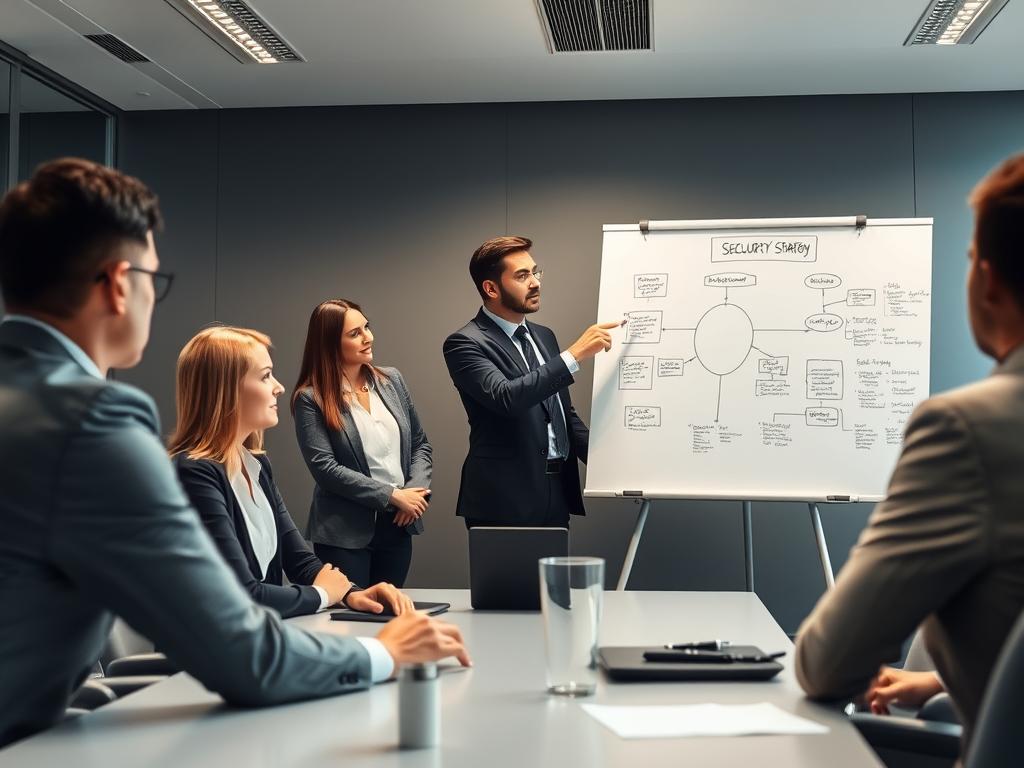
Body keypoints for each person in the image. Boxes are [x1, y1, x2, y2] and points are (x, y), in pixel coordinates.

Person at [0, 158, 469, 748]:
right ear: (120, 284)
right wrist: (383, 655)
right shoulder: (91, 420)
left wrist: (341, 594)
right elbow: (239, 649)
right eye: (153, 278)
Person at [795, 153, 1024, 749]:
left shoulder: (967, 430)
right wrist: (934, 679)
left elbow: (827, 664)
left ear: (990, 281)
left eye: (972, 260)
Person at [170, 325, 416, 618]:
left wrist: (354, 594)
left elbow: (299, 562)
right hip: (212, 657)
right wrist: (322, 594)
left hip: (259, 642)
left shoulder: (257, 465)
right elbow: (241, 596)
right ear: (224, 390)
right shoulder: (195, 473)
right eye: (264, 376)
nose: (279, 386)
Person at [443, 235, 619, 528]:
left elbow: (562, 414)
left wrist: (611, 466)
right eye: (522, 276)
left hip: (556, 490)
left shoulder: (544, 335)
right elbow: (506, 398)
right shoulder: (464, 343)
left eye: (535, 272)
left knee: (552, 577)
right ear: (491, 288)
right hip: (502, 499)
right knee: (507, 576)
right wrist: (573, 355)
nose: (535, 282)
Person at [292, 300, 431, 587]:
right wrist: (392, 495)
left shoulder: (392, 380)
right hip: (344, 533)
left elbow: (420, 444)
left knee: (390, 617)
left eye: (366, 327)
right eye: (354, 333)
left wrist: (412, 495)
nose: (368, 337)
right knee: (349, 620)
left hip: (398, 525)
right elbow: (325, 469)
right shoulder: (310, 398)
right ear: (330, 343)